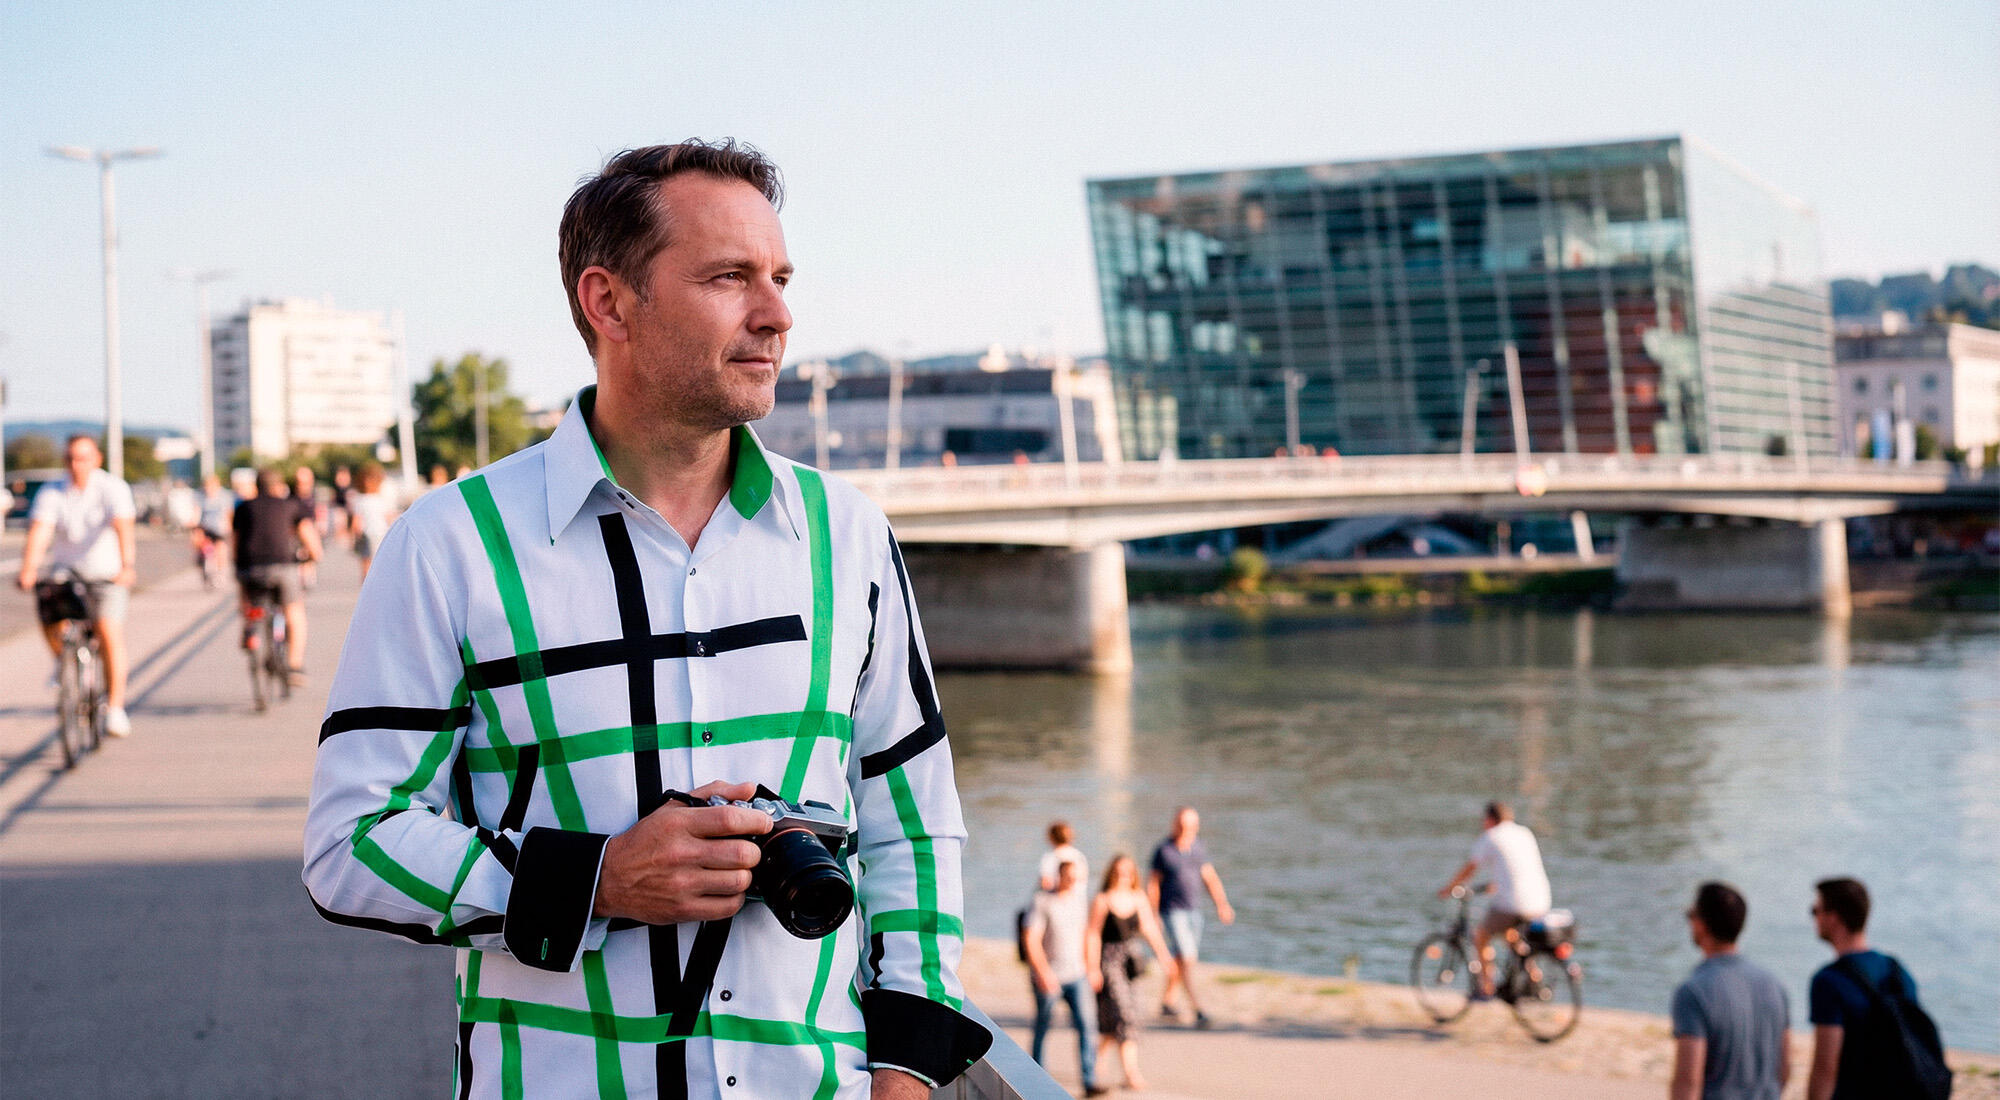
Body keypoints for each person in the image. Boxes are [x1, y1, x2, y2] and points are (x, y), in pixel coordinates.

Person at [303, 140, 988, 1100]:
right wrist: (597, 880)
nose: (778, 315)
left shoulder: (847, 535)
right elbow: (352, 840)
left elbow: (910, 824)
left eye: (781, 278)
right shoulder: (450, 546)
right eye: (729, 278)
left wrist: (909, 1071)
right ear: (608, 301)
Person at [15, 435, 137, 737]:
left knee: (108, 630)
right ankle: (63, 661)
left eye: (82, 458)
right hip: (66, 572)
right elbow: (41, 531)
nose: (75, 464)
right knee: (47, 613)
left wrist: (127, 566)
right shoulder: (53, 491)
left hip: (106, 573)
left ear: (96, 459)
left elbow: (123, 528)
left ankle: (116, 707)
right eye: (70, 458)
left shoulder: (112, 488)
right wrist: (29, 568)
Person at [1807, 877, 1944, 1100]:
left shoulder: (1829, 980)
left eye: (1815, 910)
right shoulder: (1897, 970)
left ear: (1833, 918)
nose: (1814, 917)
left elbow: (1826, 1065)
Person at [1669, 882, 1790, 1100]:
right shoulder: (1774, 986)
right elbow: (1784, 1069)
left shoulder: (1693, 992)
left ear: (1701, 924)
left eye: (1691, 914)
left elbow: (1688, 1081)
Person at [1439, 800, 1551, 1000]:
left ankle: (1486, 988)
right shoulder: (1523, 832)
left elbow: (1470, 868)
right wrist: (1495, 884)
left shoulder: (1491, 836)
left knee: (1480, 936)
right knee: (1511, 935)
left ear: (1490, 819)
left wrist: (1449, 888)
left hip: (1514, 903)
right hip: (1540, 899)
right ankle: (1535, 980)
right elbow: (1516, 866)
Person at [1088, 853, 1178, 1092]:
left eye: (1127, 872)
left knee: (1124, 1015)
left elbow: (1149, 929)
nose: (1123, 877)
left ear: (1133, 875)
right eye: (1118, 872)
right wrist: (1092, 967)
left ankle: (1097, 1057)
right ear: (1112, 873)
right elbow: (1093, 934)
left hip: (1131, 962)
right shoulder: (1102, 900)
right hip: (1109, 962)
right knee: (1123, 1015)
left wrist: (1164, 956)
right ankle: (1131, 1073)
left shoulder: (1139, 899)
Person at [1025, 858, 1107, 1097]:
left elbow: (1090, 935)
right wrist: (1042, 972)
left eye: (1077, 877)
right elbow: (1031, 939)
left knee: (1087, 1025)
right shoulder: (1042, 901)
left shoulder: (1081, 901)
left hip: (1077, 975)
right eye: (1069, 876)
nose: (1073, 881)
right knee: (1043, 1025)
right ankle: (1037, 1078)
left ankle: (1090, 1080)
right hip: (1050, 975)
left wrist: (1093, 968)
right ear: (1060, 876)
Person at [233, 467, 322, 683]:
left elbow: (235, 542)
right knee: (294, 611)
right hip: (283, 567)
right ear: (279, 487)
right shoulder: (291, 506)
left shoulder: (244, 507)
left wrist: (236, 566)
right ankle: (294, 666)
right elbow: (311, 540)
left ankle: (249, 629)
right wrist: (313, 557)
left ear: (257, 486)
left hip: (251, 568)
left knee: (247, 597)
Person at [1148, 805, 1234, 1026]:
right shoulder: (1164, 850)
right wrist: (1153, 914)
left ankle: (1168, 1002)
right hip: (1171, 911)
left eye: (1189, 826)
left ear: (1195, 827)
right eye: (1181, 825)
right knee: (1187, 957)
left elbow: (1209, 877)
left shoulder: (1198, 848)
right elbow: (1153, 884)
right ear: (1175, 824)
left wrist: (1222, 904)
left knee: (1180, 957)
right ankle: (1198, 1008)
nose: (1185, 829)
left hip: (1194, 911)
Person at [344, 462, 397, 582]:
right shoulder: (380, 500)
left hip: (368, 534)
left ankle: (367, 583)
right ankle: (374, 582)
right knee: (377, 561)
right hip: (378, 534)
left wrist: (353, 537)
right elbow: (389, 518)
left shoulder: (360, 500)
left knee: (366, 561)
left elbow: (356, 522)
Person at [194, 474, 235, 588]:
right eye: (206, 486)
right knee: (196, 541)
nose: (208, 489)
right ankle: (200, 561)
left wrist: (229, 526)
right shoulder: (200, 496)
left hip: (219, 527)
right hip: (205, 526)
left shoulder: (224, 496)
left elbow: (228, 513)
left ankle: (221, 571)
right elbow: (197, 512)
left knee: (220, 547)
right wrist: (194, 523)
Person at [1039, 820, 1086, 891]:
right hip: (1078, 899)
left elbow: (1045, 884)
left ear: (1051, 838)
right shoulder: (1079, 856)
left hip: (1056, 899)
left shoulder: (1050, 857)